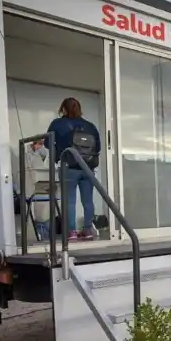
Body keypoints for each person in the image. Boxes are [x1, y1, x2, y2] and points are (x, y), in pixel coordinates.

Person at [45, 97, 101, 241]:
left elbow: (47, 143)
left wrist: (58, 151)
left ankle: (71, 232)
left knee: (69, 201)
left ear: (63, 109)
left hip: (68, 166)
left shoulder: (57, 124)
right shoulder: (90, 126)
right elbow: (98, 147)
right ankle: (88, 230)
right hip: (87, 168)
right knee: (88, 201)